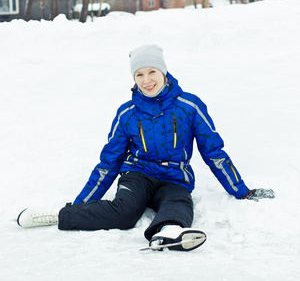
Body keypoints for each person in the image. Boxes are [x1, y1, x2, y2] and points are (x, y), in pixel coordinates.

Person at [16, 44, 275, 251]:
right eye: (139, 74)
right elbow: (109, 162)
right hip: (137, 175)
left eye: (152, 72)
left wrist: (241, 191)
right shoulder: (127, 113)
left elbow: (213, 151)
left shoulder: (189, 106)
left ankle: (170, 232)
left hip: (175, 178)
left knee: (179, 203)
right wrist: (80, 205)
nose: (146, 80)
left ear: (164, 72)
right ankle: (58, 215)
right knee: (125, 212)